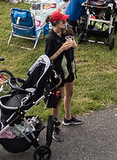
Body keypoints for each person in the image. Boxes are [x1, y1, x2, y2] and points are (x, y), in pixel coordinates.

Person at [44, 11, 82, 143]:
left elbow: (74, 46)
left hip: (69, 69)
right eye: (63, 22)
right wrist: (61, 49)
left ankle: (68, 118)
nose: (66, 23)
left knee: (70, 93)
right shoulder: (50, 38)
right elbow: (48, 58)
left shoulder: (67, 32)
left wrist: (73, 44)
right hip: (58, 72)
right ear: (56, 23)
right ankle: (54, 126)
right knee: (57, 99)